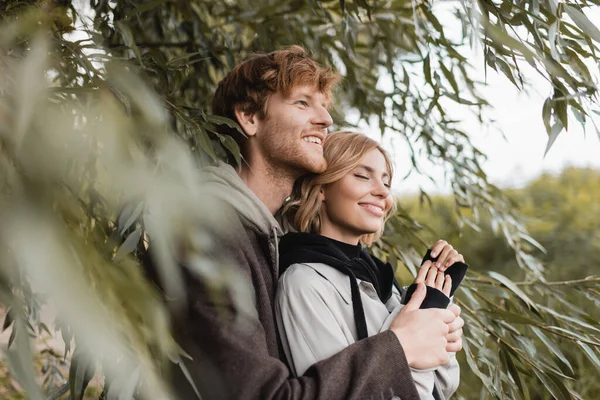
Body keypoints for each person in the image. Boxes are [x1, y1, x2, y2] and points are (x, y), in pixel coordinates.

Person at [153, 46, 465, 400]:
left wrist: (427, 328)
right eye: (302, 103)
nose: (325, 120)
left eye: (324, 106)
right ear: (248, 117)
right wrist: (399, 347)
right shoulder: (208, 234)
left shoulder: (274, 240)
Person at [275, 131, 469, 399]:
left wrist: (430, 308)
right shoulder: (304, 284)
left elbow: (443, 387)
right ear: (321, 188)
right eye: (363, 176)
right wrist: (410, 345)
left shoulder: (380, 280)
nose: (382, 192)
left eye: (386, 182)